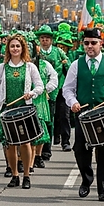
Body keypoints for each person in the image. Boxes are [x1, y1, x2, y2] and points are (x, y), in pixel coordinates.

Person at [63, 27, 104, 203]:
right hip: (84, 115)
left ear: (101, 43)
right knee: (80, 149)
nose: (89, 46)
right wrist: (73, 102)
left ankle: (103, 189)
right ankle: (86, 179)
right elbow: (67, 89)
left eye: (93, 43)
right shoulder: (76, 64)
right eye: (86, 43)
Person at [0, 34, 45, 189]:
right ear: (8, 49)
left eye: (17, 46)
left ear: (23, 48)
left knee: (25, 143)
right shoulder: (2, 67)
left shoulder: (30, 67)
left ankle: (26, 175)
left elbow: (40, 86)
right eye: (12, 46)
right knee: (10, 145)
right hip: (8, 109)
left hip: (24, 109)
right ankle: (14, 175)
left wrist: (32, 93)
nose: (15, 49)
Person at [35, 24, 68, 159]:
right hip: (37, 92)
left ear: (51, 40)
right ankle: (37, 149)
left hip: (56, 89)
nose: (45, 41)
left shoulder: (58, 52)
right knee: (38, 120)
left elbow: (69, 67)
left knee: (51, 118)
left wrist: (65, 63)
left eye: (47, 38)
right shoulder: (36, 53)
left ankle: (47, 149)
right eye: (42, 38)